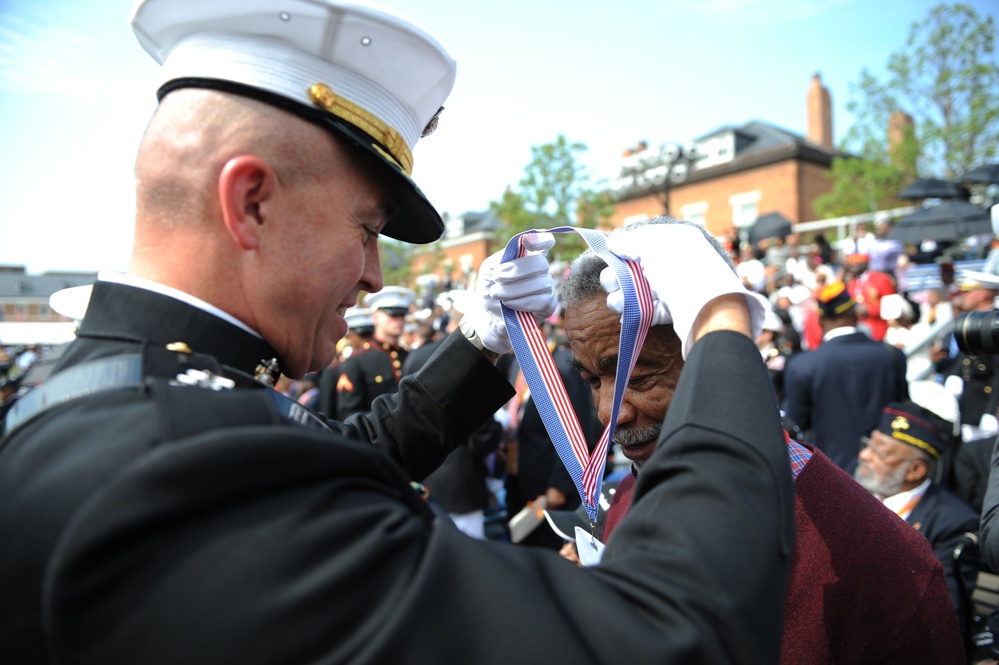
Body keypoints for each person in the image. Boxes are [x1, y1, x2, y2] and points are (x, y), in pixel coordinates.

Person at [0, 2, 797, 663]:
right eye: (364, 227)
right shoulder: (172, 462)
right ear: (250, 202)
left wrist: (480, 344)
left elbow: (332, 454)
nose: (375, 274)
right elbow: (673, 634)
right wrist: (721, 324)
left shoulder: (131, 396)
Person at [555, 218, 963, 664]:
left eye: (641, 374)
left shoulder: (881, 561)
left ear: (714, 347)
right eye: (592, 379)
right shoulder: (631, 497)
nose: (610, 410)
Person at [855, 400, 981, 638]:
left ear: (915, 471)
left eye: (879, 452)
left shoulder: (952, 523)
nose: (864, 455)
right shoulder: (849, 490)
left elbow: (939, 613)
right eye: (868, 444)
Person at [782, 281, 909, 474]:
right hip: (884, 472)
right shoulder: (890, 355)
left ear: (821, 321)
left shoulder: (803, 365)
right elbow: (901, 410)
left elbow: (796, 426)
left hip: (832, 477)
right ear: (854, 315)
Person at [336, 286, 416, 419]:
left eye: (402, 315)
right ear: (375, 318)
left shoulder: (409, 356)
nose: (399, 320)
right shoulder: (357, 361)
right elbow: (349, 414)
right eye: (392, 315)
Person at [844, 253, 896, 341]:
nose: (851, 268)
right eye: (849, 265)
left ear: (865, 264)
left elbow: (891, 305)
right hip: (858, 332)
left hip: (879, 329)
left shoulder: (881, 279)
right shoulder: (851, 284)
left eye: (854, 264)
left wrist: (869, 310)